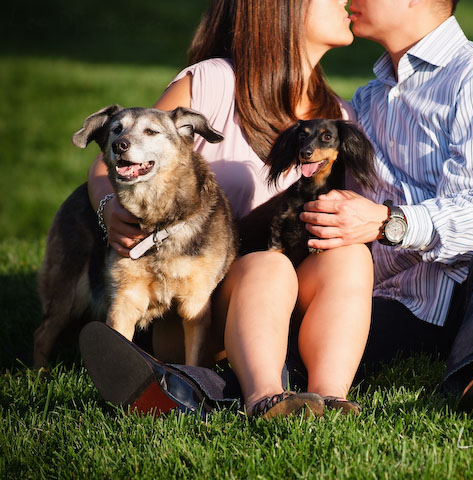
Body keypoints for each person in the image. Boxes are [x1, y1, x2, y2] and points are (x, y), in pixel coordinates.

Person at [81, 0, 372, 418]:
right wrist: (109, 207)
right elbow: (111, 162)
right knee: (268, 267)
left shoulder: (338, 118)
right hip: (197, 297)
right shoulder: (215, 83)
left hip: (288, 307)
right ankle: (267, 397)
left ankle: (328, 396)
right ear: (282, 10)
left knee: (351, 257)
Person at [297, 0, 473, 412]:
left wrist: (388, 222)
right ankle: (200, 386)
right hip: (413, 301)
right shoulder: (369, 102)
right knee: (313, 338)